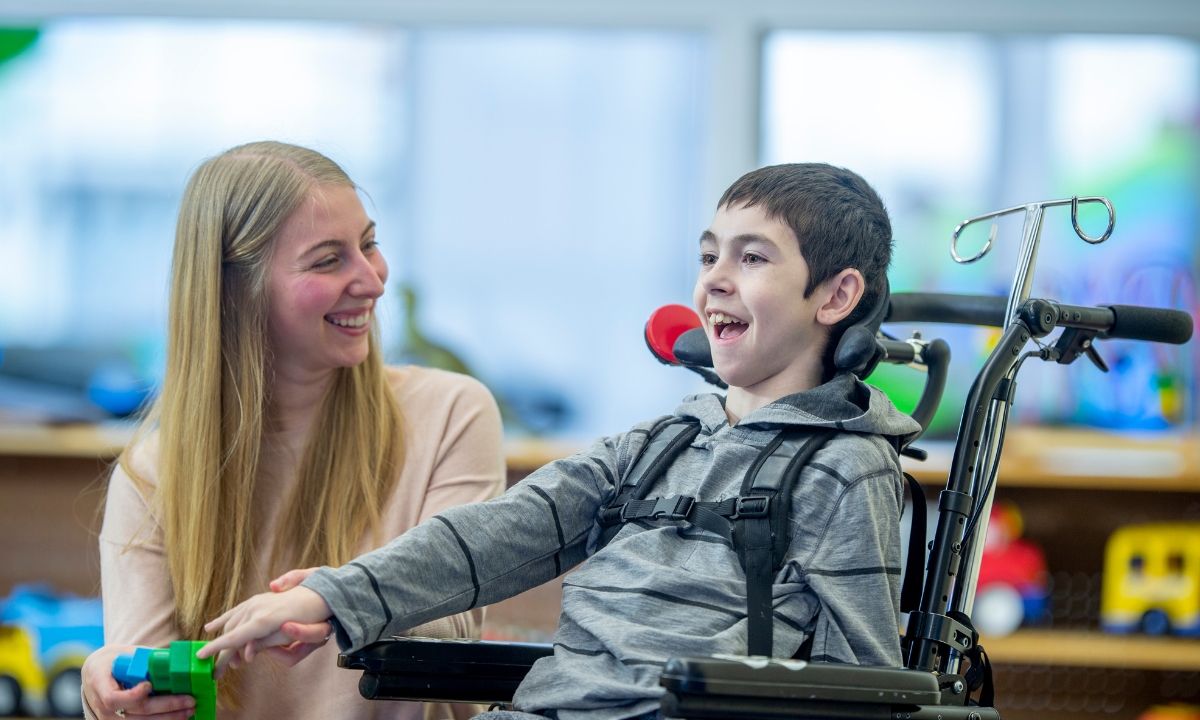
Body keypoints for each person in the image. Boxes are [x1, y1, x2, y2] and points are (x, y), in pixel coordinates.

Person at [198, 163, 921, 720]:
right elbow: (495, 536)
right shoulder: (657, 444)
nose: (715, 283)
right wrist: (330, 596)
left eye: (753, 259)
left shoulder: (846, 467)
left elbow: (862, 687)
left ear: (833, 296)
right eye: (708, 258)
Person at [80, 142, 506, 720]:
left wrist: (334, 601)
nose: (373, 281)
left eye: (370, 244)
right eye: (328, 260)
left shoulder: (452, 413)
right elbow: (147, 680)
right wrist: (111, 691)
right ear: (236, 290)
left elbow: (452, 618)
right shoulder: (152, 477)